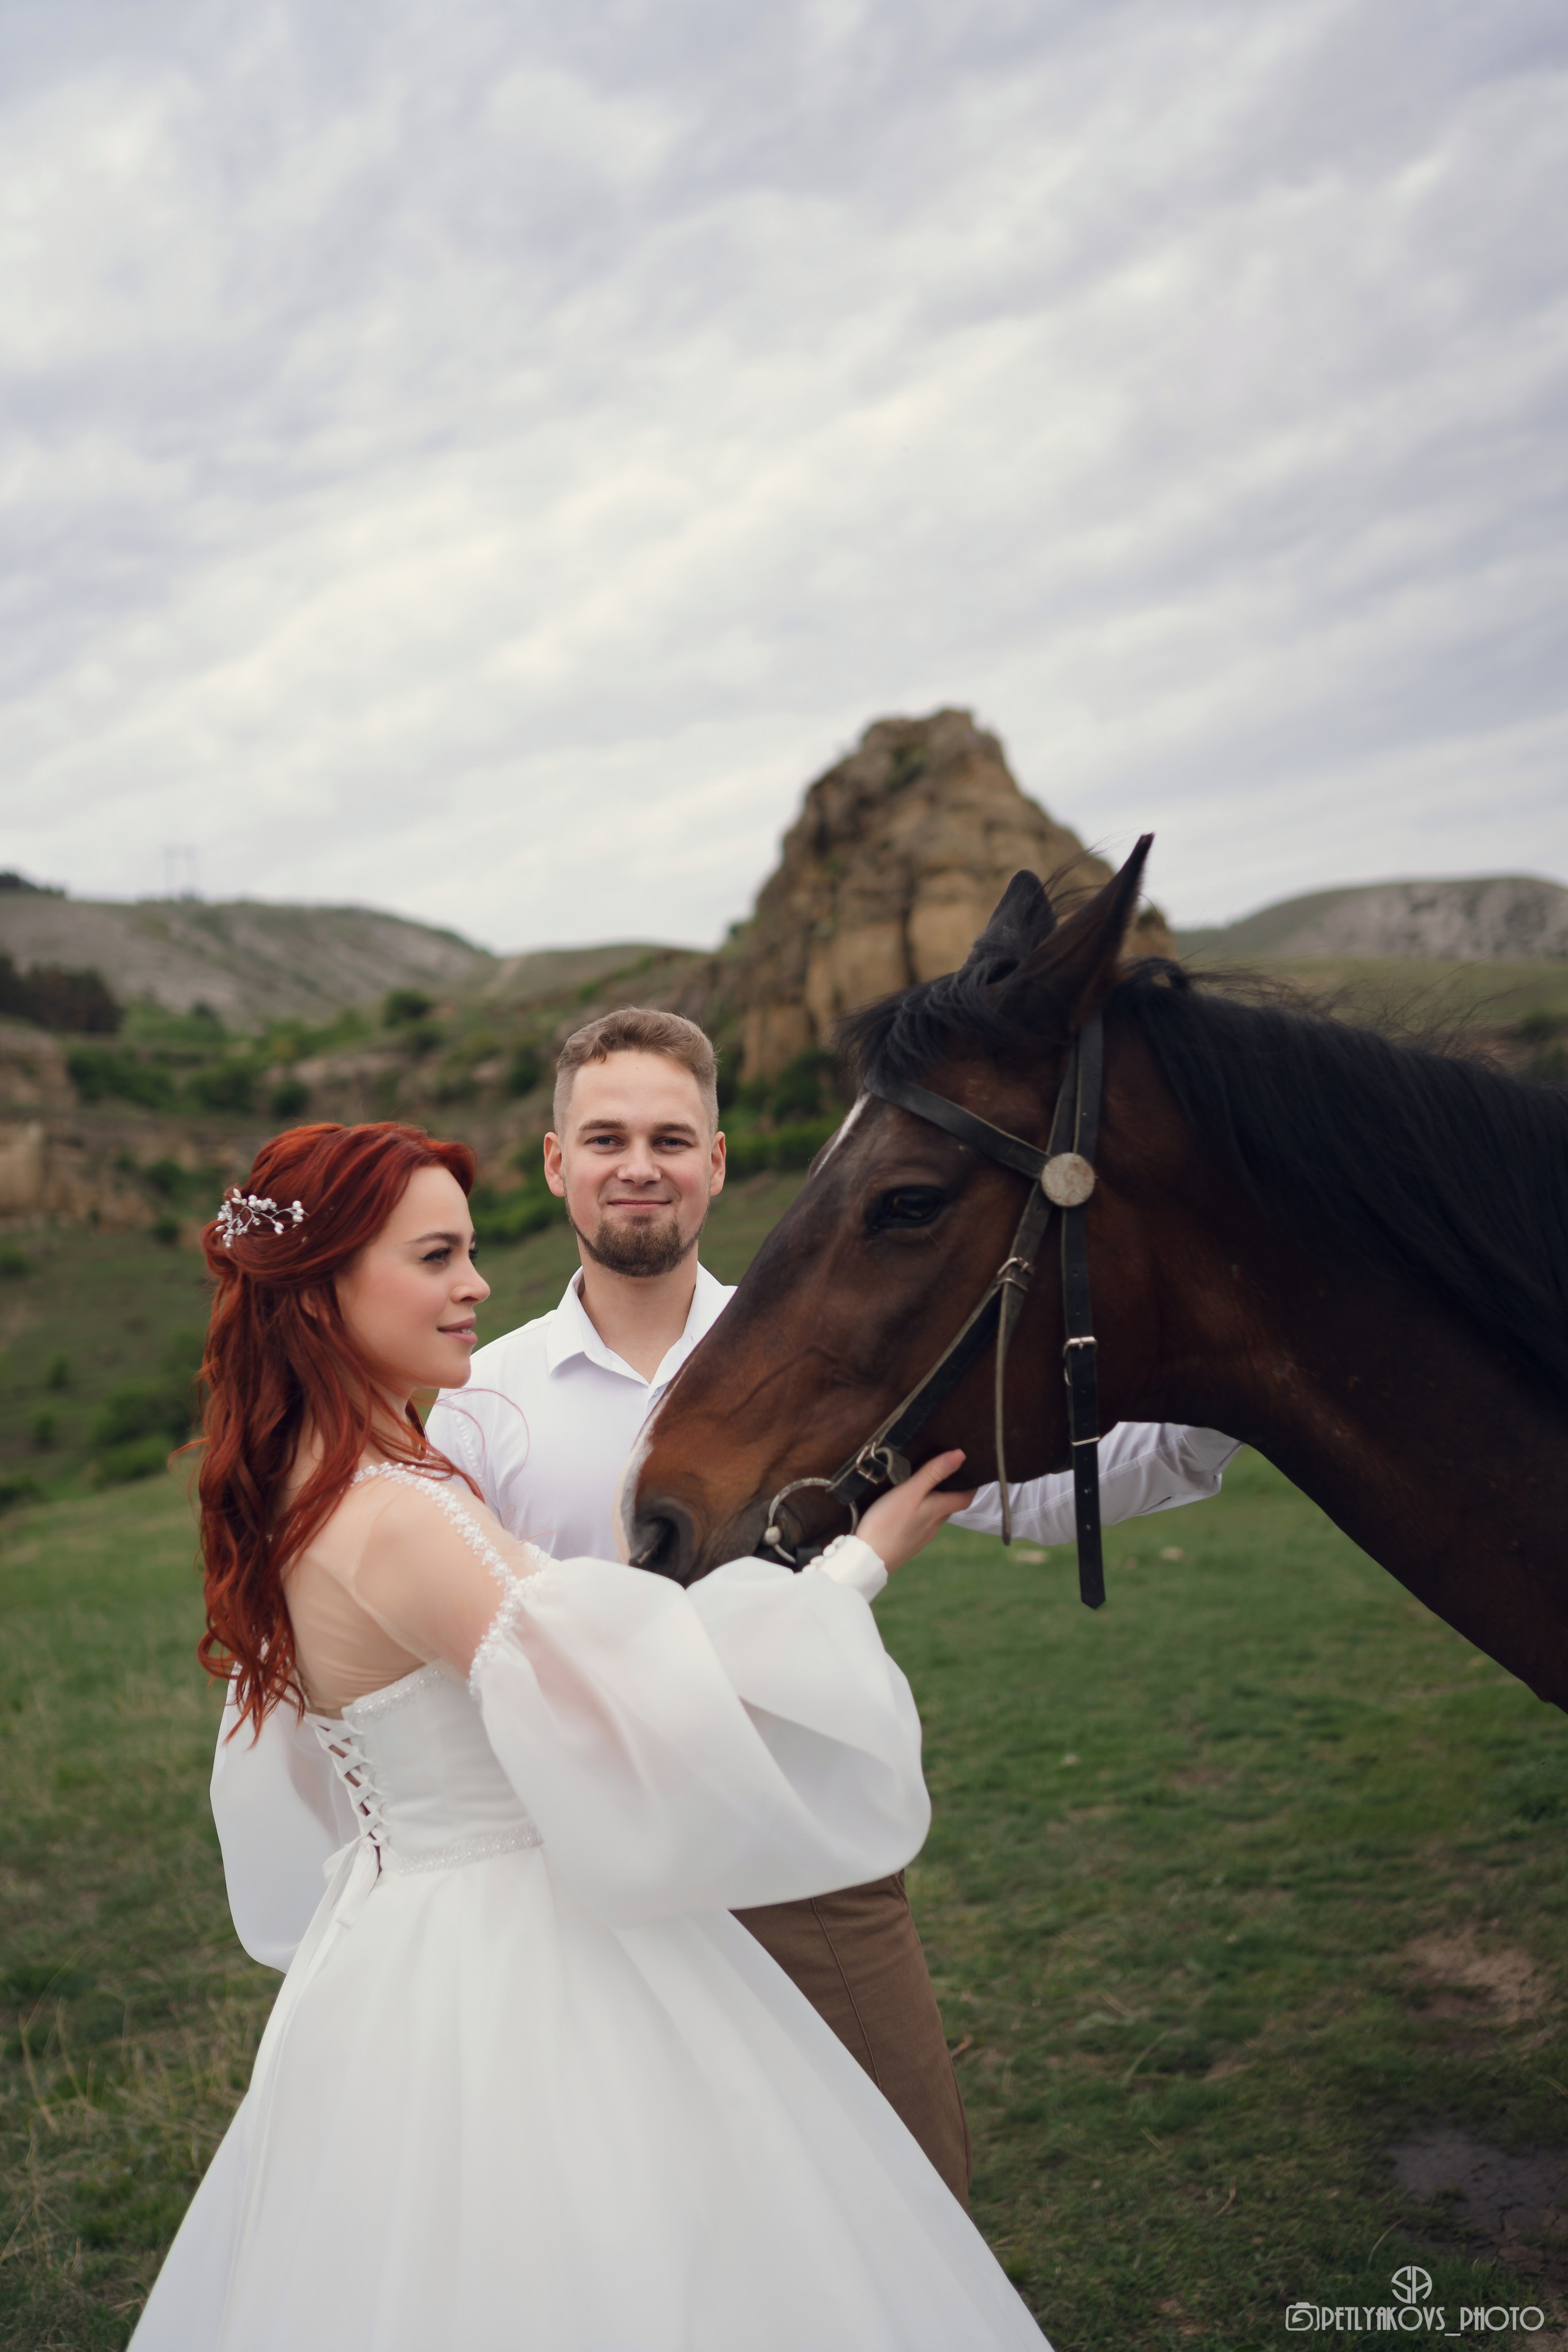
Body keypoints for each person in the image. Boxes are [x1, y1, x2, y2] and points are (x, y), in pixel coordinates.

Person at [211, 1009, 1240, 2208]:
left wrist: (1246, 1377)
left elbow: (1058, 1483)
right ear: (556, 1165)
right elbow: (429, 1671)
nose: (636, 1165)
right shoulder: (466, 1394)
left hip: (794, 1849)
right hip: (589, 1885)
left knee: (903, 2199)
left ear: (718, 1161)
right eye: (603, 1137)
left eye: (668, 1136)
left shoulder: (842, 1351)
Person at [134, 1120, 1049, 2350]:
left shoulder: (309, 1486)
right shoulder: (396, 1515)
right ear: (322, 1291)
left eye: (468, 1254)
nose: (474, 1287)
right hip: (522, 1956)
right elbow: (632, 1710)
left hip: (395, 1948)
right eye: (436, 1257)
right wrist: (850, 1573)